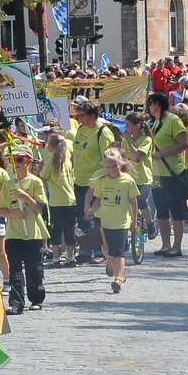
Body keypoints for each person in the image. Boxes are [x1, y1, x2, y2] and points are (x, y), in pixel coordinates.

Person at [0, 144, 48, 312]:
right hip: (14, 234)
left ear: (28, 162)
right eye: (12, 160)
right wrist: (14, 214)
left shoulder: (35, 182)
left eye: (19, 159)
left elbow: (39, 208)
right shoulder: (9, 184)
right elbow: (1, 209)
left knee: (34, 269)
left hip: (33, 233)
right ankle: (16, 303)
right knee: (15, 270)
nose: (15, 163)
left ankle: (36, 298)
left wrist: (25, 197)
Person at [89, 148, 145, 294]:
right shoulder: (102, 181)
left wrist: (133, 220)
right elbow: (99, 199)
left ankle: (118, 278)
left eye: (114, 166)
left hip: (121, 222)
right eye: (108, 167)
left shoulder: (127, 181)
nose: (111, 170)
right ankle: (111, 263)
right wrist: (91, 210)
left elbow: (133, 202)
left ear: (120, 163)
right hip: (106, 220)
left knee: (118, 251)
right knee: (107, 249)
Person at [69, 98, 118, 264]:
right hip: (79, 179)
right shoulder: (82, 128)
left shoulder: (103, 132)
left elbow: (110, 157)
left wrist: (103, 178)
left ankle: (101, 250)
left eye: (81, 115)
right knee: (82, 216)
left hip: (96, 181)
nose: (78, 119)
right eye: (77, 116)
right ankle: (85, 249)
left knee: (96, 216)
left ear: (92, 115)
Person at [146, 92, 188, 256]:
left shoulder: (173, 120)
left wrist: (163, 153)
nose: (149, 107)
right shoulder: (155, 122)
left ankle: (177, 246)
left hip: (172, 172)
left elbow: (183, 144)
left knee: (175, 209)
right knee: (161, 210)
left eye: (150, 103)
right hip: (157, 173)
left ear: (157, 104)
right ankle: (165, 244)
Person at [40, 131, 78, 266]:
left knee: (56, 229)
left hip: (56, 201)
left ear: (51, 146)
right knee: (70, 229)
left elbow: (42, 179)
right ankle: (71, 257)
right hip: (71, 199)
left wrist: (39, 167)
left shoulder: (51, 161)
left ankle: (55, 258)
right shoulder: (67, 161)